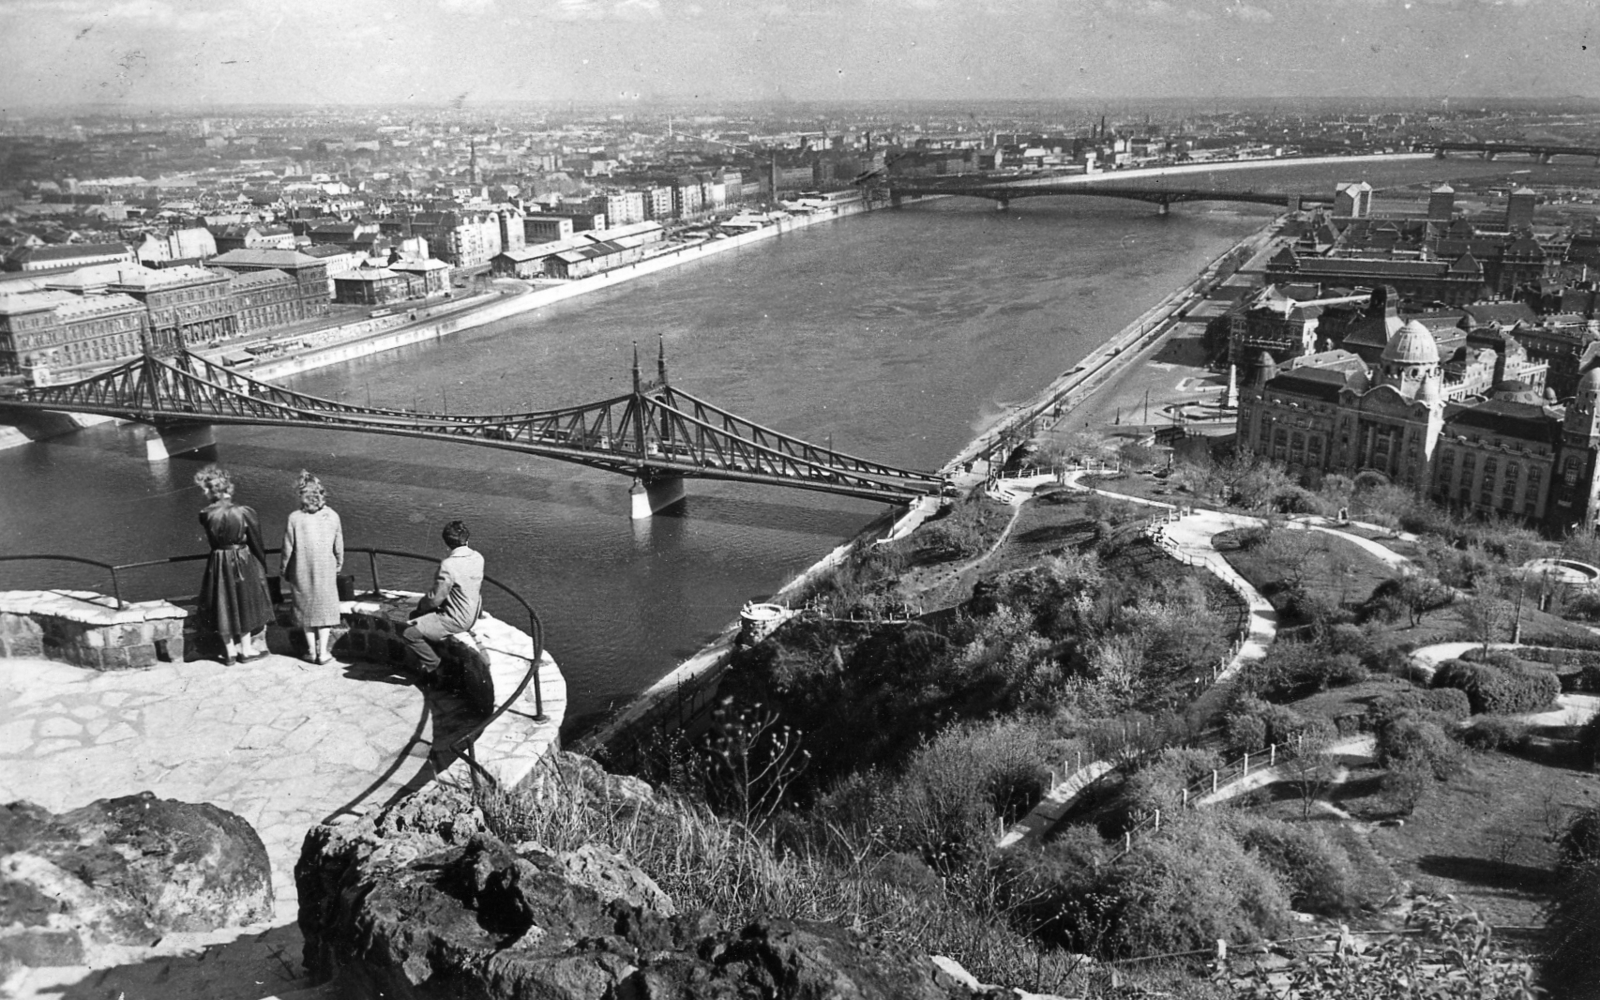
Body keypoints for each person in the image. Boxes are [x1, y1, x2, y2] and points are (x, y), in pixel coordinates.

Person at [194, 464, 274, 664]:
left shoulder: (206, 514)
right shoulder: (244, 511)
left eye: (206, 488)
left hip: (219, 560)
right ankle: (246, 650)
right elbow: (256, 542)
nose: (204, 492)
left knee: (222, 602)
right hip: (242, 558)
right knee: (243, 600)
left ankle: (229, 652)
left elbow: (213, 541)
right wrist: (261, 565)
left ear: (214, 490)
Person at [401, 520, 483, 679]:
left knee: (409, 633)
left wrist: (419, 609)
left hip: (456, 619)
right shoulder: (478, 557)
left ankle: (436, 666)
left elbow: (434, 599)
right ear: (466, 538)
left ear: (447, 542)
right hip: (472, 615)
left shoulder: (449, 565)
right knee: (422, 622)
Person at [280, 470, 345, 665]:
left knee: (305, 609)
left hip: (301, 569)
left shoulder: (294, 518)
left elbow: (287, 549)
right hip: (326, 569)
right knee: (324, 611)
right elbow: (339, 546)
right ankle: (324, 652)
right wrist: (338, 565)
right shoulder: (333, 516)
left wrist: (284, 570)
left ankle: (311, 651)